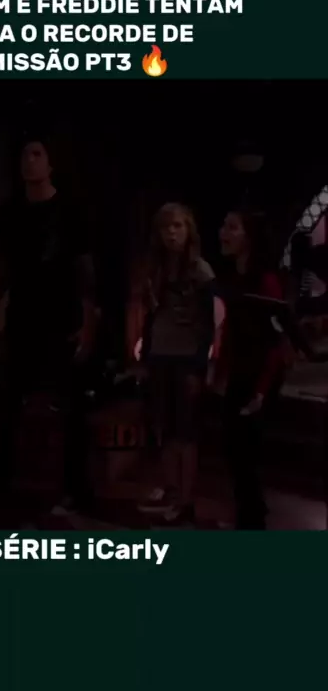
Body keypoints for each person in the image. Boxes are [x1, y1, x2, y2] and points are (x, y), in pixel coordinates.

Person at [0, 133, 98, 516]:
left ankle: (76, 490)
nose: (29, 161)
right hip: (22, 318)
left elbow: (85, 270)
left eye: (37, 154)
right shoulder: (10, 212)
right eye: (24, 155)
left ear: (51, 164)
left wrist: (88, 322)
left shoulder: (70, 211)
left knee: (69, 406)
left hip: (60, 318)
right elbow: (4, 267)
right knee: (7, 402)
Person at [127, 203, 215, 526]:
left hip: (186, 359)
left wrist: (199, 367)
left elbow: (208, 325)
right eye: (166, 228)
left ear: (188, 229)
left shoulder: (201, 271)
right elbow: (151, 319)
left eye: (177, 226)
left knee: (185, 433)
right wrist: (144, 358)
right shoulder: (157, 270)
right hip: (160, 357)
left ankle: (185, 499)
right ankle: (170, 489)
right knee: (162, 428)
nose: (172, 233)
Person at [216, 209, 285, 529]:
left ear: (249, 237)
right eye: (223, 226)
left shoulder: (266, 281)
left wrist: (261, 390)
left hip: (260, 374)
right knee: (234, 452)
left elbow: (275, 341)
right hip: (239, 371)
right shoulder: (233, 278)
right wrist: (220, 372)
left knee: (246, 454)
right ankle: (248, 516)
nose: (223, 233)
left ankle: (252, 523)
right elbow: (231, 331)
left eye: (232, 227)